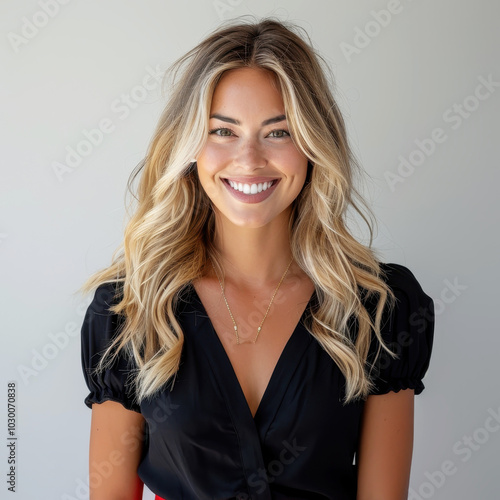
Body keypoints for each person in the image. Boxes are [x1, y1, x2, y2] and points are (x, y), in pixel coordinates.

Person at [79, 17, 435, 500]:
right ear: (189, 148)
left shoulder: (379, 308)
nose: (248, 159)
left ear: (313, 144)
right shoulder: (130, 311)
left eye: (278, 132)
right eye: (223, 131)